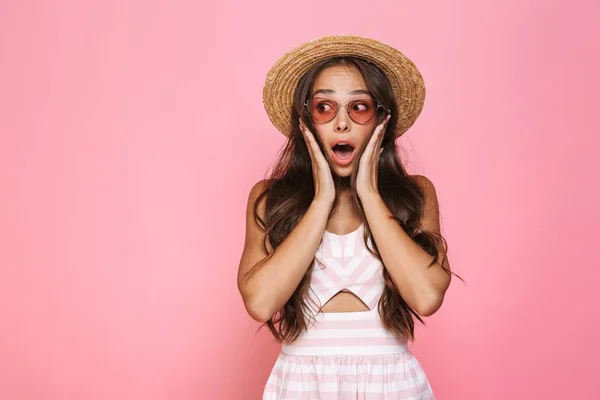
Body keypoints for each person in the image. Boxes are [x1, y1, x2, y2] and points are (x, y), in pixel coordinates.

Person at [238, 35, 455, 399]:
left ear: (380, 121)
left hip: (391, 384)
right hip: (302, 385)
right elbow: (260, 303)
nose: (342, 124)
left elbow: (425, 296)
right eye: (324, 108)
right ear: (305, 121)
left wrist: (368, 193)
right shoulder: (268, 197)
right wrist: (322, 197)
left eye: (359, 108)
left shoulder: (415, 193)